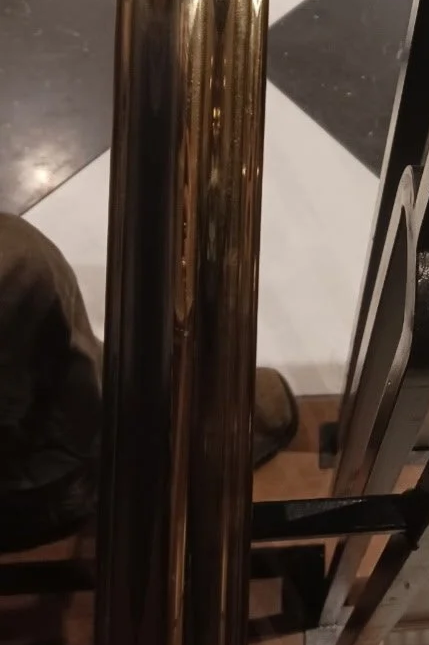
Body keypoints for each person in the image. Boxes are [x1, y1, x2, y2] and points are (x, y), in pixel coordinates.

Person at [0, 211, 297, 553]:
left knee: (22, 263)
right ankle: (75, 481)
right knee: (19, 263)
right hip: (36, 480)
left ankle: (100, 405)